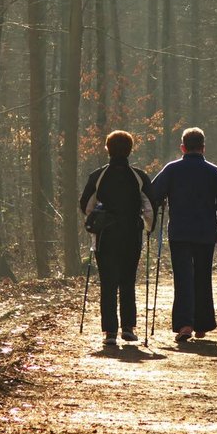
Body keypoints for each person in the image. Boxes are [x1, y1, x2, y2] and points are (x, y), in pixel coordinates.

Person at [150, 127, 217, 342]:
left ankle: (185, 324)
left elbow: (153, 194)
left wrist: (159, 207)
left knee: (183, 278)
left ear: (183, 147)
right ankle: (202, 324)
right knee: (203, 277)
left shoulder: (172, 169)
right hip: (206, 233)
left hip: (179, 233)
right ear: (203, 148)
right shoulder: (213, 171)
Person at [80, 130, 155, 346]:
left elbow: (86, 205)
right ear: (130, 149)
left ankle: (110, 332)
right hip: (131, 235)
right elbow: (149, 206)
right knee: (128, 281)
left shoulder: (98, 176)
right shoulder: (139, 176)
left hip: (106, 236)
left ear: (108, 148)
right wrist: (149, 229)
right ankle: (128, 328)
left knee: (108, 283)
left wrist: (96, 219)